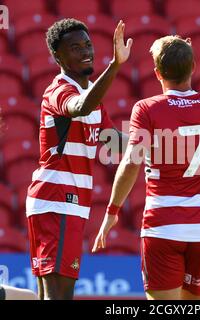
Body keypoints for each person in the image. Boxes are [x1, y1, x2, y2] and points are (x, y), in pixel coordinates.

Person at [92, 18, 200, 300]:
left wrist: (112, 212)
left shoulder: (147, 109)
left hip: (162, 226)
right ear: (193, 68)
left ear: (157, 74)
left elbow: (132, 162)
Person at [25, 18, 132, 300]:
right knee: (59, 296)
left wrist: (161, 143)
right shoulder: (59, 91)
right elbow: (80, 108)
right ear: (58, 56)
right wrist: (116, 66)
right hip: (58, 200)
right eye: (75, 48)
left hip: (67, 203)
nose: (85, 51)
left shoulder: (92, 95)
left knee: (51, 295)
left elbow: (116, 142)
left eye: (87, 44)